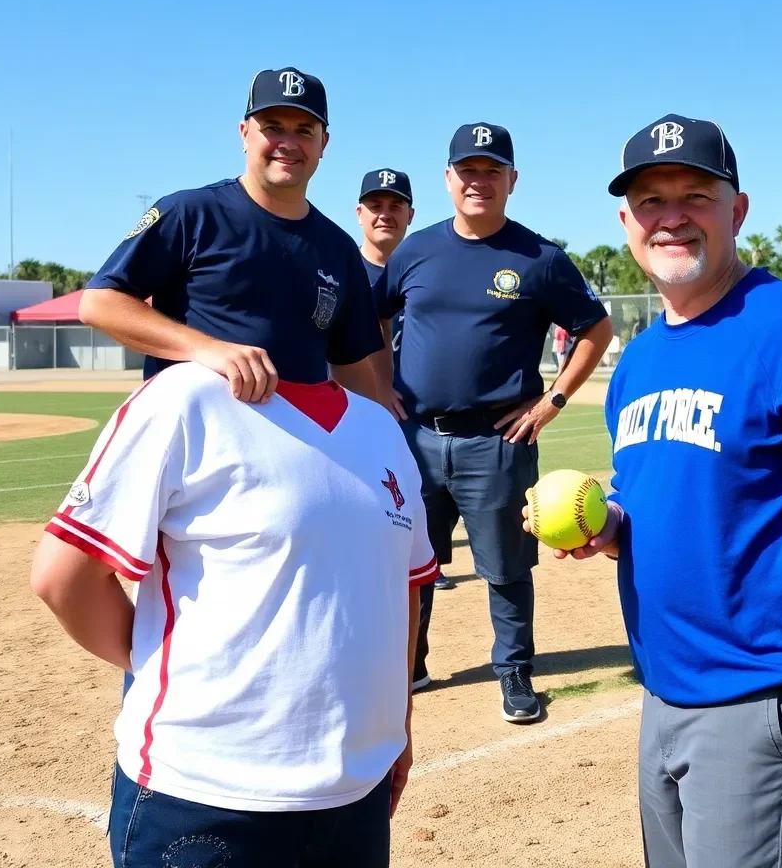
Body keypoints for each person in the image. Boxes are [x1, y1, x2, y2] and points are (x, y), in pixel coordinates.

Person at [530, 115, 782, 866]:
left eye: (695, 195)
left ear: (738, 209)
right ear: (626, 221)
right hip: (670, 691)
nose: (671, 217)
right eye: (651, 200)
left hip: (776, 694)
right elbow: (656, 491)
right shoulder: (639, 360)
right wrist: (614, 524)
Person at [30, 361, 437, 867]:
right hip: (203, 795)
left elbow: (405, 581)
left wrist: (397, 720)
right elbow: (63, 580)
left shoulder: (379, 427)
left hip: (357, 793)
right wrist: (159, 668)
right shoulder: (187, 396)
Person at [374, 122, 612, 721]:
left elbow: (596, 329)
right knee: (411, 563)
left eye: (491, 170)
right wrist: (379, 385)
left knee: (506, 568)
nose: (478, 180)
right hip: (417, 437)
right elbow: (372, 319)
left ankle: (515, 674)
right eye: (467, 170)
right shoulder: (416, 250)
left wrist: (552, 400)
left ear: (512, 180)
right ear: (449, 178)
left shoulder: (540, 258)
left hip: (498, 441)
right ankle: (411, 665)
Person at [79, 67, 383, 404]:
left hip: (300, 449)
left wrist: (380, 441)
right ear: (244, 134)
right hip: (201, 442)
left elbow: (352, 365)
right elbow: (99, 303)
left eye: (304, 130)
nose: (288, 143)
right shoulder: (190, 213)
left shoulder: (338, 247)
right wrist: (205, 348)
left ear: (323, 143)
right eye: (272, 128)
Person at [357, 169, 453, 593]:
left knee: (416, 496)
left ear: (411, 214)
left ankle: (425, 560)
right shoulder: (341, 269)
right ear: (360, 213)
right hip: (354, 410)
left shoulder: (430, 267)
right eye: (375, 205)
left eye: (396, 205)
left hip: (416, 412)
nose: (385, 214)